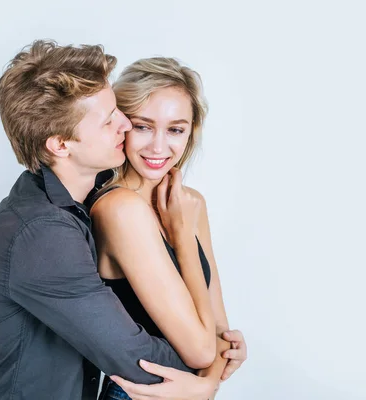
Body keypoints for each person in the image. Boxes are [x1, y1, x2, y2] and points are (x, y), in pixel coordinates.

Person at [0, 40, 246, 400]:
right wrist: (206, 382)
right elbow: (147, 356)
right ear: (60, 144)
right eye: (113, 119)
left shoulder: (96, 199)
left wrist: (216, 354)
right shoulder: (43, 231)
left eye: (176, 129)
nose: (124, 125)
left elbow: (216, 335)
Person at [89, 57, 238, 400]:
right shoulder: (118, 208)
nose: (159, 147)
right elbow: (200, 352)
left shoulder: (190, 203)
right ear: (121, 125)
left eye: (175, 129)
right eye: (143, 126)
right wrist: (183, 237)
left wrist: (206, 386)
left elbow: (220, 332)